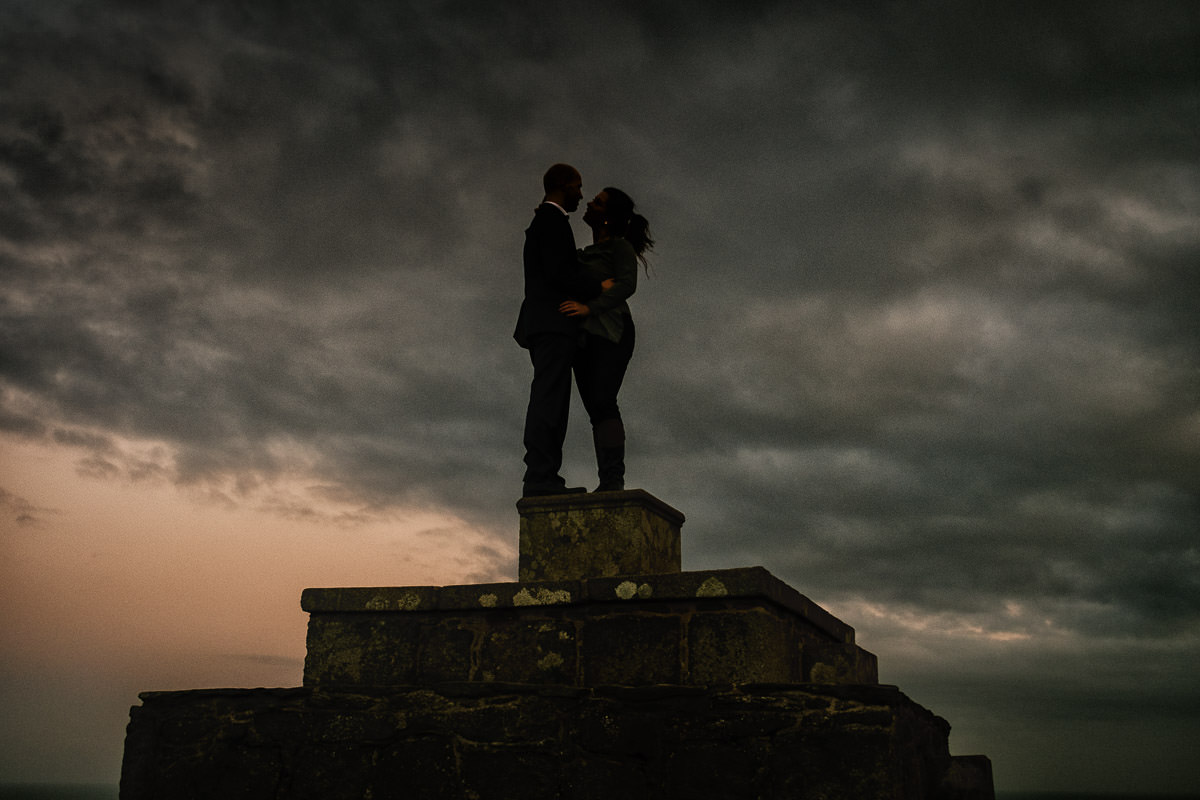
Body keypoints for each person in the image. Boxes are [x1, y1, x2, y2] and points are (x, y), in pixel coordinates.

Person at [514, 164, 605, 497]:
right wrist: (599, 285)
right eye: (577, 186)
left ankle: (544, 475)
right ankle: (540, 478)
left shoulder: (545, 221)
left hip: (546, 324)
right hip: (553, 324)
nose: (581, 194)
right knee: (549, 400)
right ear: (563, 185)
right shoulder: (551, 222)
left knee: (550, 398)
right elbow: (560, 273)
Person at [558, 187, 653, 491]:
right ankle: (608, 480)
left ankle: (613, 478)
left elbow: (626, 285)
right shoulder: (584, 254)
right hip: (585, 339)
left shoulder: (619, 248)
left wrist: (590, 306)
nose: (589, 203)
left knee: (603, 401)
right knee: (596, 410)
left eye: (597, 203)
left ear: (608, 217)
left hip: (612, 332)